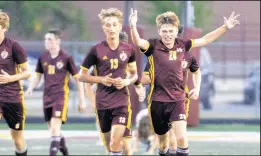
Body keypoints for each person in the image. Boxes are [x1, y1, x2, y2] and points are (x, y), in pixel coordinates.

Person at [129, 9, 240, 156]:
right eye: (164, 31)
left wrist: (225, 27)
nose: (168, 34)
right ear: (159, 31)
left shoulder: (183, 46)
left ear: (176, 31)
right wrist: (132, 26)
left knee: (181, 138)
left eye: (171, 31)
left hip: (178, 100)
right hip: (157, 101)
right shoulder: (153, 46)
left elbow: (205, 40)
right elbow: (137, 41)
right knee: (163, 143)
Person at [79, 8, 139, 155]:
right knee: (108, 144)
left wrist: (126, 82)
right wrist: (101, 80)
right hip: (103, 103)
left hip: (121, 102)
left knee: (115, 141)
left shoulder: (129, 49)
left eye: (114, 24)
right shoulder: (96, 50)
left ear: (119, 26)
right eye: (107, 25)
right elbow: (82, 76)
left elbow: (134, 75)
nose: (111, 28)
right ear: (103, 27)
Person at [25, 29, 86, 156]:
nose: (47, 42)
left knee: (54, 128)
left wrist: (82, 100)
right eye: (45, 39)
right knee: (53, 130)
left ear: (58, 41)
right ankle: (65, 152)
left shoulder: (66, 58)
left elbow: (77, 79)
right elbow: (37, 76)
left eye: (50, 39)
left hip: (60, 97)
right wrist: (31, 87)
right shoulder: (43, 57)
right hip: (46, 97)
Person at [0, 10, 31, 156]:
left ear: (4, 28)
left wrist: (10, 78)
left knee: (17, 139)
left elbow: (27, 72)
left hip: (13, 97)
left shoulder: (14, 46)